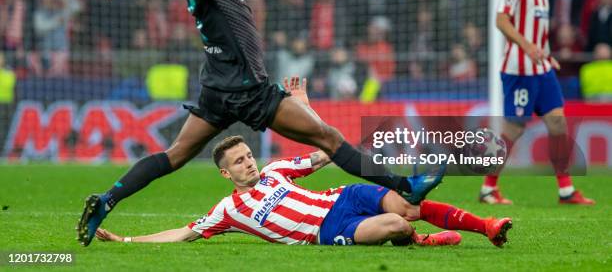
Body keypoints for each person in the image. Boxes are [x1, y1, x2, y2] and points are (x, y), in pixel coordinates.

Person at [77, 0, 444, 246]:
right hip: (249, 91)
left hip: (215, 91)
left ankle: (108, 199)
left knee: (174, 155)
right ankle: (405, 186)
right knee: (329, 139)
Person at [95, 135, 512, 247]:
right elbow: (182, 233)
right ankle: (419, 241)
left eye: (247, 155)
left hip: (342, 198)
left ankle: (487, 225)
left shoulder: (277, 170)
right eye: (238, 161)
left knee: (406, 204)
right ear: (226, 173)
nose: (248, 162)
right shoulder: (228, 210)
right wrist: (127, 238)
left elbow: (323, 153)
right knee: (396, 226)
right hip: (329, 230)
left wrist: (306, 107)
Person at [481, 0, 594, 205]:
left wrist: (544, 53)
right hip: (519, 70)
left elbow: (535, 31)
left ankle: (566, 190)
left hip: (541, 69)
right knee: (515, 129)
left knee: (557, 122)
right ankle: (488, 188)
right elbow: (502, 20)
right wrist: (528, 48)